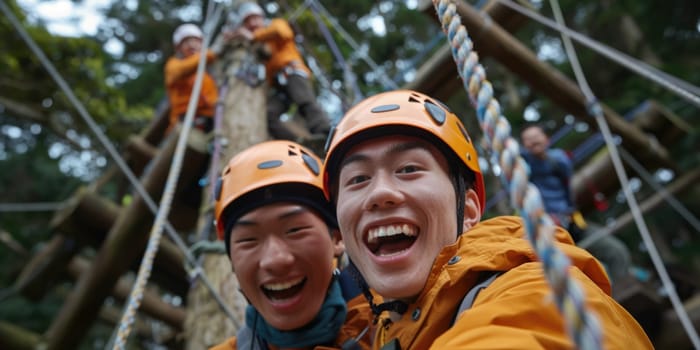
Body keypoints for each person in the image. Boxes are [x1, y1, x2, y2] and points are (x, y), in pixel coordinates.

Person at [321, 90, 652, 349]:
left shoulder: (536, 291)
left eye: (408, 169)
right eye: (357, 180)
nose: (380, 193)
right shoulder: (380, 319)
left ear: (467, 211)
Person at [211, 140, 372, 350]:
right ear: (232, 262)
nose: (275, 260)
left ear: (337, 238)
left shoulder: (396, 320)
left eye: (295, 230)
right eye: (248, 240)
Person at [520, 123, 631, 284]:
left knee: (617, 252)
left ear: (547, 139)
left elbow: (567, 186)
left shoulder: (559, 160)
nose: (533, 141)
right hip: (547, 226)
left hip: (572, 221)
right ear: (524, 146)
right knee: (567, 269)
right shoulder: (525, 166)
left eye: (536, 137)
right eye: (528, 140)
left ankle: (623, 291)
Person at [227, 2, 332, 143]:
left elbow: (283, 32)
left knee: (305, 101)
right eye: (248, 21)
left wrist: (251, 36)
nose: (252, 23)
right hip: (279, 86)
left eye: (255, 18)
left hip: (292, 72)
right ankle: (298, 143)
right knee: (269, 115)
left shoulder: (276, 25)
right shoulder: (261, 44)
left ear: (262, 18)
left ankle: (325, 133)